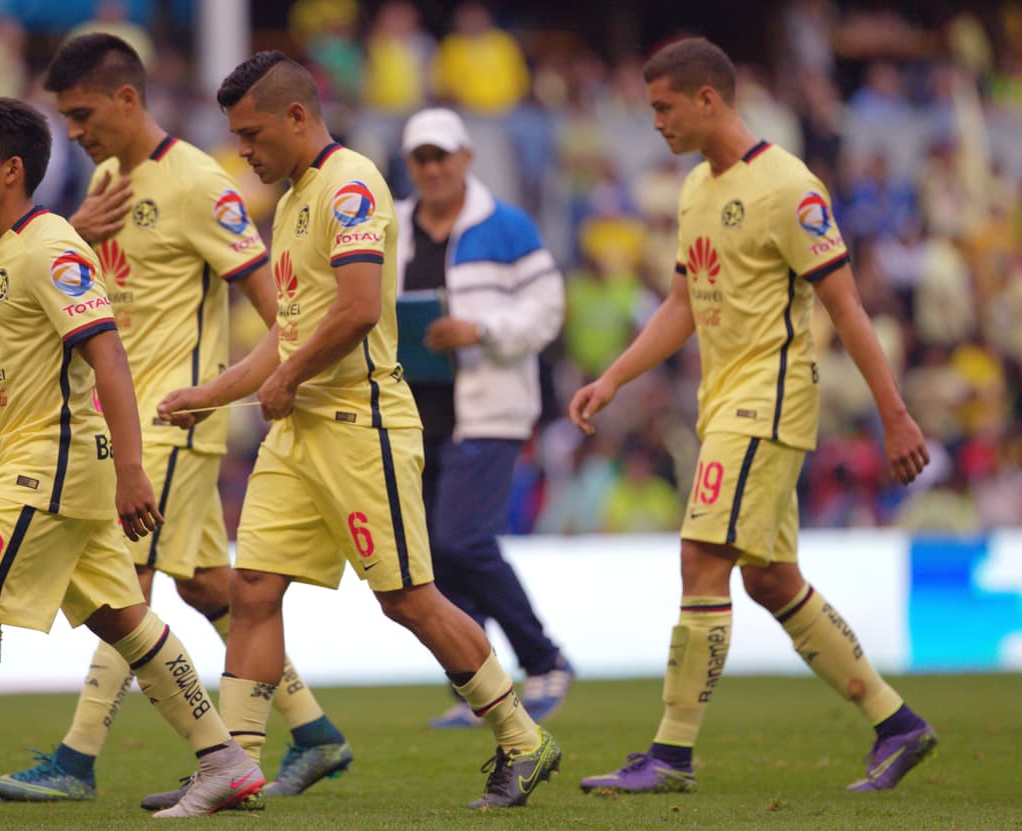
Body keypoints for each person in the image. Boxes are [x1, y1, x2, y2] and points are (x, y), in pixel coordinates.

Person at [0, 97, 262, 824]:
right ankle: (224, 759)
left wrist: (131, 466)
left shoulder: (50, 245)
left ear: (12, 169)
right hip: (43, 454)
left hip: (53, 459)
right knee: (124, 618)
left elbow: (108, 352)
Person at [159, 51, 561, 810]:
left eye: (251, 133)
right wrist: (212, 392)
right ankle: (234, 766)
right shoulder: (292, 201)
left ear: (298, 116)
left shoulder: (352, 184)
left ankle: (522, 735)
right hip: (301, 427)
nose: (243, 150)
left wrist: (285, 378)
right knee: (253, 588)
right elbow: (291, 332)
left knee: (410, 599)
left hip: (359, 423)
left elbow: (358, 308)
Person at [0, 34, 350, 810]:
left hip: (172, 419)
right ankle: (314, 732)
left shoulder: (197, 183)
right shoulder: (110, 178)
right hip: (133, 419)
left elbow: (272, 303)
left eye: (82, 114)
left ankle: (78, 757)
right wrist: (77, 224)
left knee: (126, 583)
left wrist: (272, 380)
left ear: (127, 99)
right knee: (210, 586)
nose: (75, 132)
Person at [570, 37, 937, 795]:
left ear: (709, 99)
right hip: (724, 403)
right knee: (770, 578)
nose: (657, 125)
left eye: (665, 108)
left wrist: (894, 414)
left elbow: (846, 306)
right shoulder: (695, 190)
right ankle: (897, 723)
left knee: (701, 559)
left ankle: (670, 754)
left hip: (768, 400)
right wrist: (612, 376)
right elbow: (682, 303)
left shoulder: (789, 188)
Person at [394, 107, 573, 729]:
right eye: (422, 157)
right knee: (441, 558)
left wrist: (482, 329)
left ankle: (544, 658)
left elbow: (548, 309)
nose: (433, 168)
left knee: (460, 540)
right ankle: (484, 688)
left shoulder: (508, 226)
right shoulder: (393, 228)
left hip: (490, 409)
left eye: (442, 155)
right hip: (414, 413)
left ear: (466, 157)